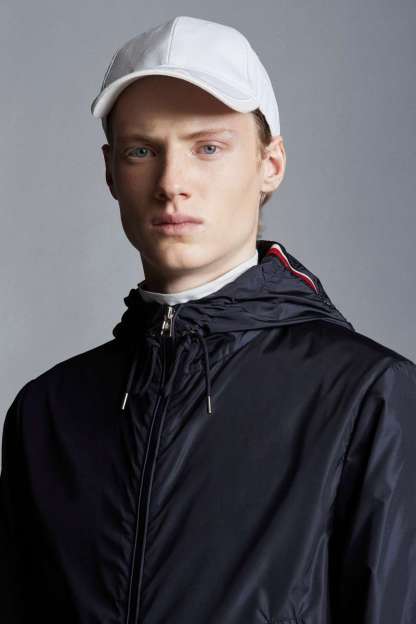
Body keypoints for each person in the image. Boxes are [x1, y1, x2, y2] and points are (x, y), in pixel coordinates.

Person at [1, 14, 415, 624]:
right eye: (143, 150)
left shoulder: (367, 397)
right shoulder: (46, 414)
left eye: (208, 147)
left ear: (270, 163)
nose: (172, 183)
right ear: (111, 170)